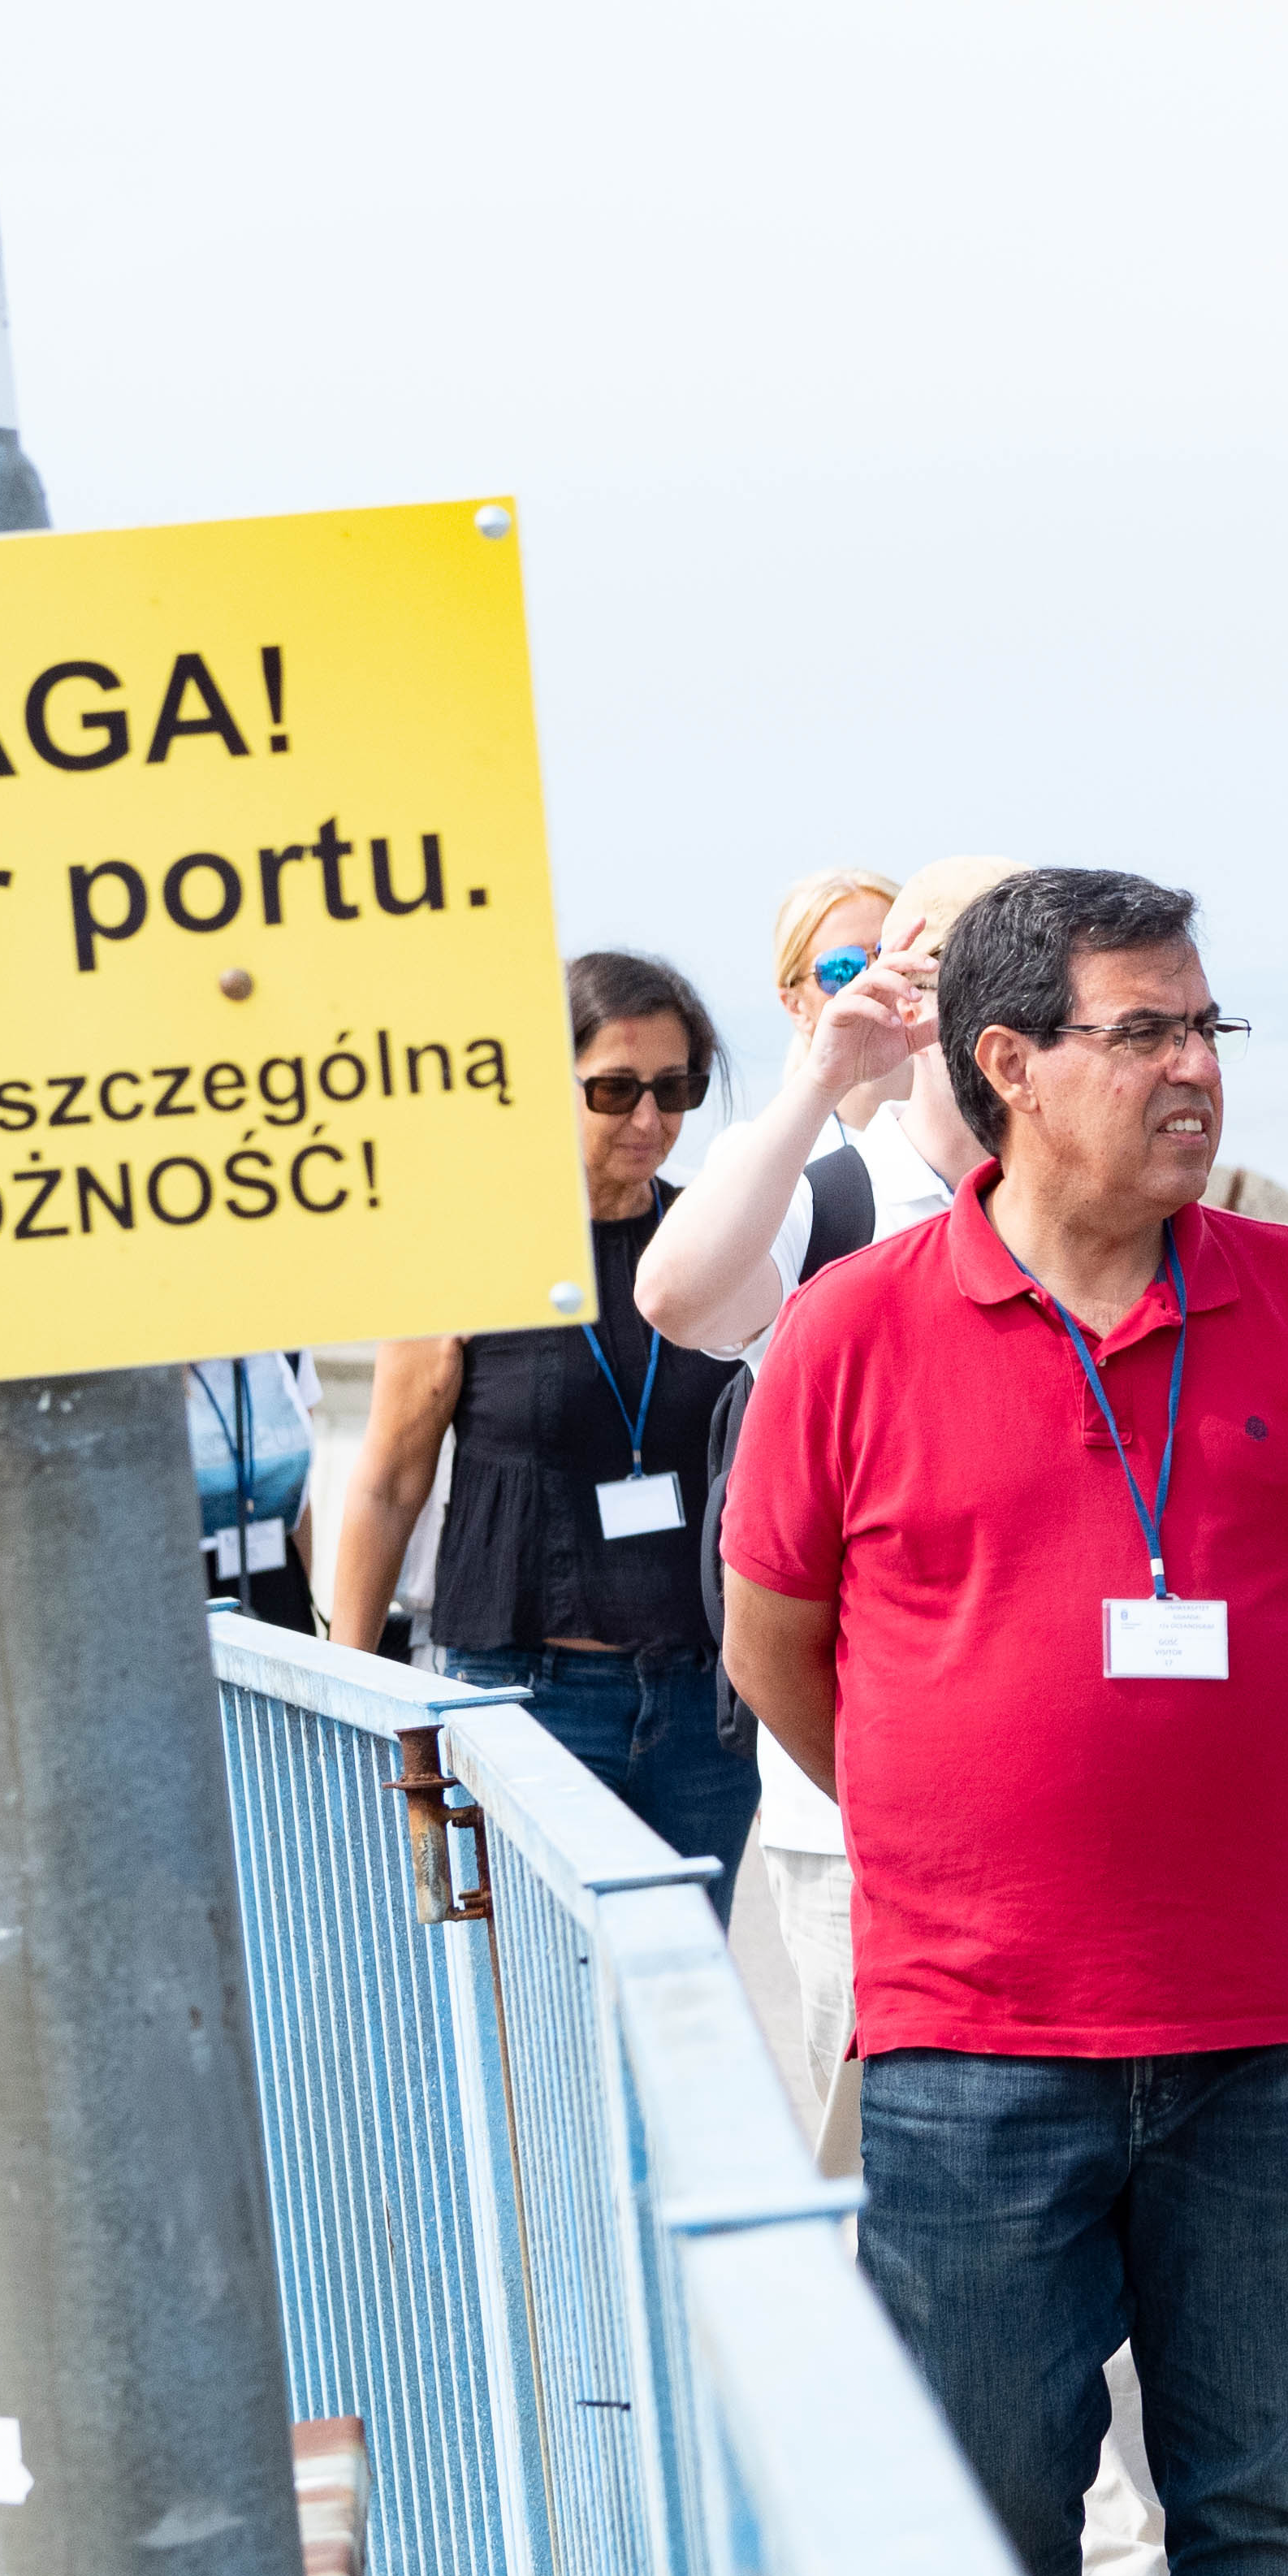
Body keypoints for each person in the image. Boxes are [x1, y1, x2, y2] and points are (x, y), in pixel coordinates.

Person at [721, 868, 1288, 2576]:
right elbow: (771, 1645)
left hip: (1264, 2023)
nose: (1197, 1068)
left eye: (1206, 1026)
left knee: (1268, 2510)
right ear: (1008, 1061)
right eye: (1144, 1031)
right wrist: (962, 1816)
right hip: (973, 2040)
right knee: (978, 2525)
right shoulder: (849, 1327)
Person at [638, 853, 1023, 2106]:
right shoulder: (840, 1202)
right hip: (857, 1824)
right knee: (887, 2167)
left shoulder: (1085, 1211)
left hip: (1066, 1809)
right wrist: (822, 1074)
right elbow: (675, 1294)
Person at [333, 952, 758, 1916]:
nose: (648, 1119)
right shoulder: (471, 1251)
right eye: (614, 1089)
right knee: (533, 1988)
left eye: (676, 1089)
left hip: (702, 1710)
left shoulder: (716, 1244)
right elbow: (389, 1484)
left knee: (683, 1988)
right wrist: (356, 1697)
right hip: (524, 1700)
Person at [767, 864, 910, 1136]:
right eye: (842, 969)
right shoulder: (770, 1149)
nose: (877, 978)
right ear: (796, 1007)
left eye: (893, 955)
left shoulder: (986, 1123)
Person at [189, 1350, 322, 1634]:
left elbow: (300, 1497)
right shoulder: (146, 1363)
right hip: (185, 1586)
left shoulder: (287, 1349)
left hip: (279, 1579)